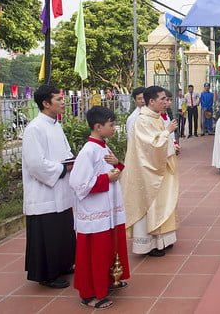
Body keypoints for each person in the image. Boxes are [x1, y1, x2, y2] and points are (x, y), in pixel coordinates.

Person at [69, 106, 129, 310]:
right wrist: (106, 178)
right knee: (94, 254)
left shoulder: (103, 146)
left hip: (109, 210)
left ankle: (108, 280)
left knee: (108, 250)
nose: (114, 129)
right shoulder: (88, 151)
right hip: (95, 213)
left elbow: (114, 171)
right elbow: (78, 184)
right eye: (111, 125)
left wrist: (117, 164)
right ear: (98, 126)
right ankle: (89, 294)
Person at [22, 85, 76, 288]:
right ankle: (46, 274)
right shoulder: (35, 128)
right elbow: (35, 164)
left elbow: (64, 151)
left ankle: (62, 265)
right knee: (47, 235)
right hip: (43, 191)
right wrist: (63, 170)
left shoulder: (55, 124)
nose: (63, 102)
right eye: (58, 99)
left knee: (62, 231)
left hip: (60, 188)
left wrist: (72, 161)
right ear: (45, 103)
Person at [121, 86, 179, 257]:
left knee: (160, 203)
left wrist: (172, 146)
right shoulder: (142, 120)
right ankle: (148, 244)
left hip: (157, 168)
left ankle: (162, 239)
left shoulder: (155, 117)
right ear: (151, 101)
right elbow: (150, 146)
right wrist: (167, 132)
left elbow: (160, 141)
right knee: (149, 204)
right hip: (147, 172)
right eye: (162, 99)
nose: (166, 102)